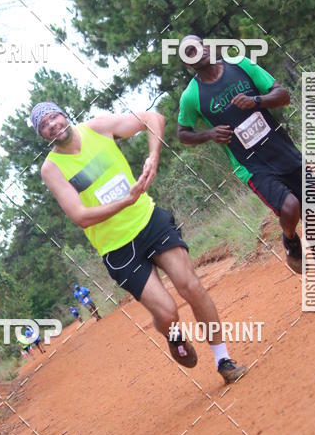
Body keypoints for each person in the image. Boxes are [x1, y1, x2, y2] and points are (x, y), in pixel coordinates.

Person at [30, 100, 247, 384]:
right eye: (44, 125)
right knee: (167, 313)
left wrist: (153, 157)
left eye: (53, 117)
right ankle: (174, 336)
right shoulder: (51, 169)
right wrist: (126, 201)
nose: (52, 125)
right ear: (42, 135)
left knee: (191, 286)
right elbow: (80, 216)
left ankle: (223, 360)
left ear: (64, 115)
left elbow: (153, 118)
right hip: (118, 248)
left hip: (148, 221)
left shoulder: (97, 128)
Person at [176, 36, 315, 291]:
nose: (197, 52)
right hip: (251, 165)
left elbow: (283, 95)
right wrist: (209, 134)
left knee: (310, 211)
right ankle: (290, 239)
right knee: (291, 206)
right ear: (187, 63)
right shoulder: (191, 96)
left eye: (198, 46)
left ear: (207, 47)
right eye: (189, 52)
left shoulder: (240, 65)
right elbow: (183, 133)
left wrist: (256, 101)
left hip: (282, 150)